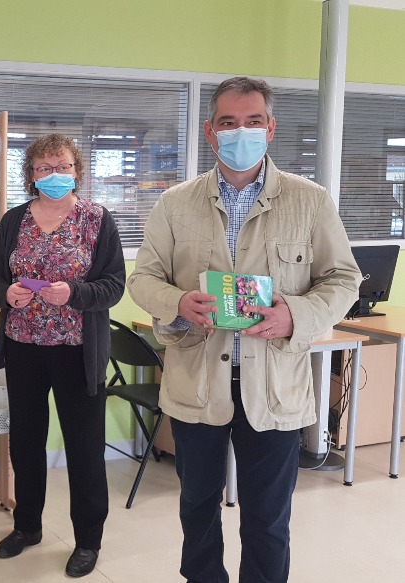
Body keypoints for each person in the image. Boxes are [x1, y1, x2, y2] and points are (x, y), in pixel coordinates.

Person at [127, 77, 362, 582]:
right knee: (197, 508)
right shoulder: (175, 203)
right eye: (229, 123)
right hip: (197, 381)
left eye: (253, 122)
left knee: (268, 517)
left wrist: (295, 313)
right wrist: (177, 302)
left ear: (270, 128)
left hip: (275, 386)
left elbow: (344, 279)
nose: (241, 133)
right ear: (210, 131)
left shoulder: (310, 201)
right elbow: (143, 278)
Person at [0, 134, 126, 578]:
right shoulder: (14, 220)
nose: (54, 174)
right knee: (26, 443)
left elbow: (115, 286)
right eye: (44, 168)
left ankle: (88, 541)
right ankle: (27, 526)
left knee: (84, 448)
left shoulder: (97, 219)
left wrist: (76, 293)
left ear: (77, 170)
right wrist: (7, 293)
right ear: (31, 174)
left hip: (77, 351)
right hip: (23, 348)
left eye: (62, 166)